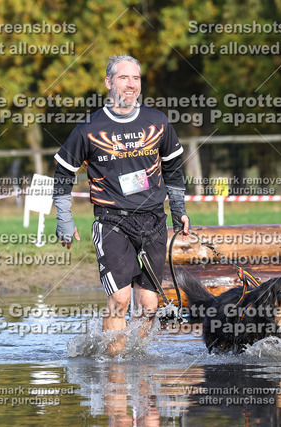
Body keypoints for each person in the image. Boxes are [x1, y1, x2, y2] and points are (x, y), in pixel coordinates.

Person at [52, 54, 190, 355]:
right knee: (120, 299)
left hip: (154, 221)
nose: (131, 84)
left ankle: (132, 361)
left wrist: (179, 210)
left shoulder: (157, 121)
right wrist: (64, 219)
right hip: (112, 221)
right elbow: (63, 172)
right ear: (108, 82)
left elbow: (173, 168)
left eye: (136, 78)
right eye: (123, 78)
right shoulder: (89, 128)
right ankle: (112, 368)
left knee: (149, 305)